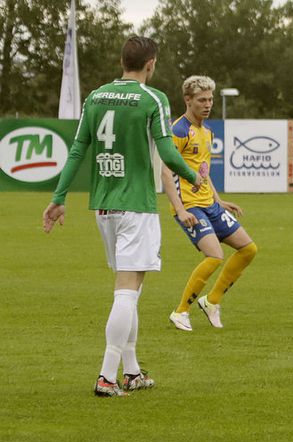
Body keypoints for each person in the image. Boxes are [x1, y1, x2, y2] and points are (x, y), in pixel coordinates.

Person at [43, 36, 203, 397]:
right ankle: (106, 375)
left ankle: (130, 371)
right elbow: (167, 152)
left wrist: (59, 197)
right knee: (127, 292)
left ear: (121, 61)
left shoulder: (95, 96)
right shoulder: (153, 99)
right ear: (151, 64)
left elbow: (78, 149)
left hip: (104, 206)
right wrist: (195, 176)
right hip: (137, 206)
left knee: (130, 288)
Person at [162, 75, 257, 332]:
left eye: (210, 99)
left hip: (209, 204)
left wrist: (219, 200)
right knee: (214, 255)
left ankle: (212, 301)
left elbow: (202, 172)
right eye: (201, 100)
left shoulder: (207, 132)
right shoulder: (178, 130)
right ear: (188, 100)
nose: (207, 104)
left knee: (248, 249)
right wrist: (180, 210)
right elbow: (165, 172)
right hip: (190, 207)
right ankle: (180, 311)